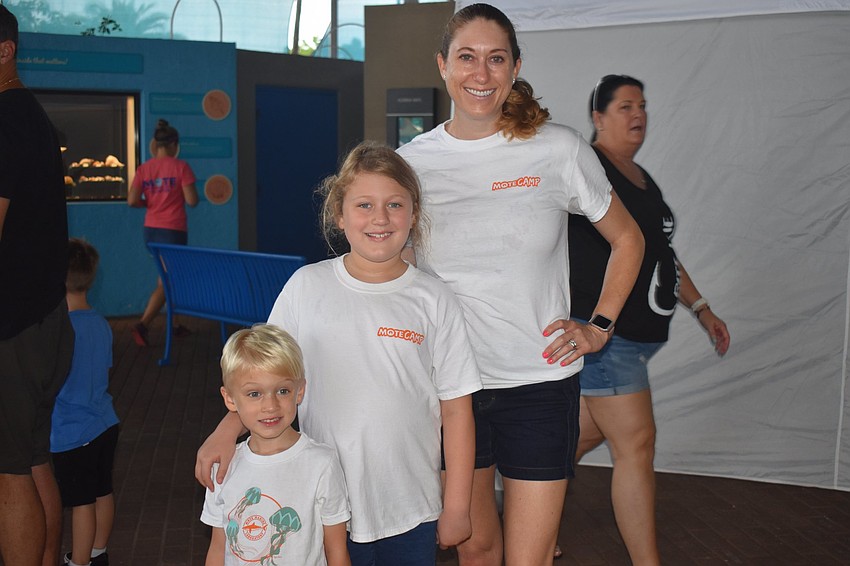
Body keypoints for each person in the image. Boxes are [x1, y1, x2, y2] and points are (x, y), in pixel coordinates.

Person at [397, 5, 647, 565]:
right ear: (442, 65)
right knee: (476, 549)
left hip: (539, 384)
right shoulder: (410, 164)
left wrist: (599, 326)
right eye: (466, 57)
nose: (480, 73)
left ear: (514, 68)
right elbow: (399, 271)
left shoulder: (557, 149)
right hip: (449, 386)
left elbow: (629, 240)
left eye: (496, 59)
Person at [197, 141, 481, 565]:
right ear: (339, 214)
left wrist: (457, 505)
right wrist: (225, 431)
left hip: (411, 507)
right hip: (321, 507)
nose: (380, 218)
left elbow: (457, 410)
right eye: (364, 205)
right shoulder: (306, 287)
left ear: (414, 214)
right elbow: (262, 375)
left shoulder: (434, 299)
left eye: (394, 204)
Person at [562, 74, 731, 565]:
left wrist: (701, 308)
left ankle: (528, 512)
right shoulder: (589, 169)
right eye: (625, 107)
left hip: (637, 338)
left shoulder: (638, 175)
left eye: (642, 105)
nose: (638, 114)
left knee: (577, 439)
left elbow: (661, 253)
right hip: (607, 336)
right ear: (598, 117)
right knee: (636, 444)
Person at [0, 6, 76, 566]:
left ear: (5, 51)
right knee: (31, 459)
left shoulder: (5, 118)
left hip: (13, 325)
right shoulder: (27, 114)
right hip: (44, 317)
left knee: (8, 470)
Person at [201, 324, 351, 566]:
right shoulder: (223, 468)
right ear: (230, 399)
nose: (270, 405)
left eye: (282, 391)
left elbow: (337, 551)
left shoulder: (321, 464)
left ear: (299, 391)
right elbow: (218, 548)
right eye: (254, 394)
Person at [51, 238, 120, 566]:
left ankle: (78, 562)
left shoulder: (61, 330)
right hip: (105, 423)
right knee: (102, 490)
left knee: (81, 503)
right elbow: (103, 369)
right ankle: (97, 552)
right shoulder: (101, 323)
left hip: (73, 431)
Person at [127, 118, 198, 347]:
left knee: (165, 276)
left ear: (155, 145)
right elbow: (192, 200)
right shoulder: (180, 167)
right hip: (173, 230)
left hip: (151, 231)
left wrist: (148, 203)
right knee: (167, 279)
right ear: (174, 144)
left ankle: (175, 325)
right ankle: (143, 324)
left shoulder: (144, 168)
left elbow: (132, 200)